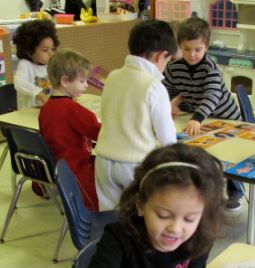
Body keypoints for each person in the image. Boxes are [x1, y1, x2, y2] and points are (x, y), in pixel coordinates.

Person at [84, 143, 225, 268]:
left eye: (190, 219)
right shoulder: (120, 236)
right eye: (163, 214)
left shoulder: (196, 232)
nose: (175, 228)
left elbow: (204, 241)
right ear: (141, 204)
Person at [94, 19, 178, 211]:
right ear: (161, 55)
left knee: (110, 217)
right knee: (139, 218)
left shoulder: (113, 77)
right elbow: (167, 140)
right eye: (167, 60)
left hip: (103, 160)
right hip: (135, 165)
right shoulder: (154, 86)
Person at [163, 17, 244, 211]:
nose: (192, 55)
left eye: (197, 50)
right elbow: (168, 88)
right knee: (204, 155)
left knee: (230, 158)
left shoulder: (210, 68)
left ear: (206, 47)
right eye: (186, 49)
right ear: (179, 46)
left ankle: (236, 191)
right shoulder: (173, 68)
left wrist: (197, 117)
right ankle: (203, 191)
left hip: (226, 118)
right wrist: (173, 103)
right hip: (199, 118)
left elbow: (212, 95)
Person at [39, 48, 101, 211]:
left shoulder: (46, 108)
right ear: (65, 81)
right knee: (95, 203)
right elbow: (99, 132)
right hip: (76, 169)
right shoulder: (72, 109)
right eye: (82, 81)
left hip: (56, 166)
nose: (87, 85)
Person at [13, 19, 59, 109]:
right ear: (29, 52)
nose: (50, 54)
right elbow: (19, 83)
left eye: (52, 49)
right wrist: (39, 93)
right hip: (27, 117)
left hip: (46, 113)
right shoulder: (25, 65)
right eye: (45, 50)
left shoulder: (50, 65)